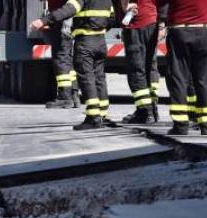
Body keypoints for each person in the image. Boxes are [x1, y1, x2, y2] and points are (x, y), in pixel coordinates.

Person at [30, 0, 114, 130]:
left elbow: (68, 9)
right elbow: (112, 19)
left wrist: (44, 20)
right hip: (101, 41)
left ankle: (93, 117)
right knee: (99, 78)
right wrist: (99, 27)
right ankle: (102, 114)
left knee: (87, 78)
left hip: (85, 41)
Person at [162, 0, 207, 134]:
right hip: (204, 30)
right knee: (204, 80)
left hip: (180, 31)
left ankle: (180, 125)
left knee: (179, 78)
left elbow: (161, 5)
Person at [121, 0, 163, 122]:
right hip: (152, 21)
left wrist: (124, 9)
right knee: (150, 66)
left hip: (137, 23)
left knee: (136, 68)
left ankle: (145, 111)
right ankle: (153, 108)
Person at [43, 0, 78, 108]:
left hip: (63, 22)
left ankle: (65, 97)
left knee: (61, 59)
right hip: (65, 21)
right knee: (67, 60)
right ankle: (74, 94)